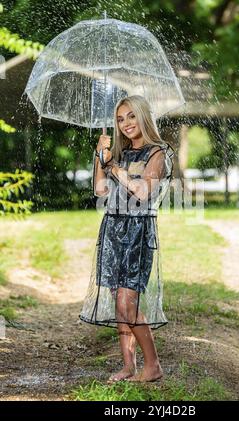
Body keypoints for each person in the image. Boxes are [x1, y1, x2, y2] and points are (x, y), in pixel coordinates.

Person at [79, 95, 174, 382]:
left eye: (131, 116)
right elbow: (100, 189)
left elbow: (143, 192)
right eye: (120, 119)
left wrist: (116, 169)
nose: (126, 124)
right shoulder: (118, 153)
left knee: (127, 301)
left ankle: (153, 365)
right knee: (117, 300)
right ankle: (128, 365)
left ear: (143, 116)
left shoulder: (158, 153)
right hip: (112, 229)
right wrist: (101, 157)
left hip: (137, 231)